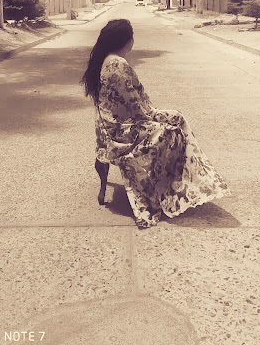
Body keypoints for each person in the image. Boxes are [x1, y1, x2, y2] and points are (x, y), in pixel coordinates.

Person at [81, 18, 232, 229]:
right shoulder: (117, 64)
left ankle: (188, 182)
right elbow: (134, 106)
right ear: (127, 41)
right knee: (172, 133)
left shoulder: (106, 60)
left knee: (177, 117)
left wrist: (156, 114)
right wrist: (155, 118)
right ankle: (172, 189)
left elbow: (131, 103)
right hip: (122, 131)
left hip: (115, 124)